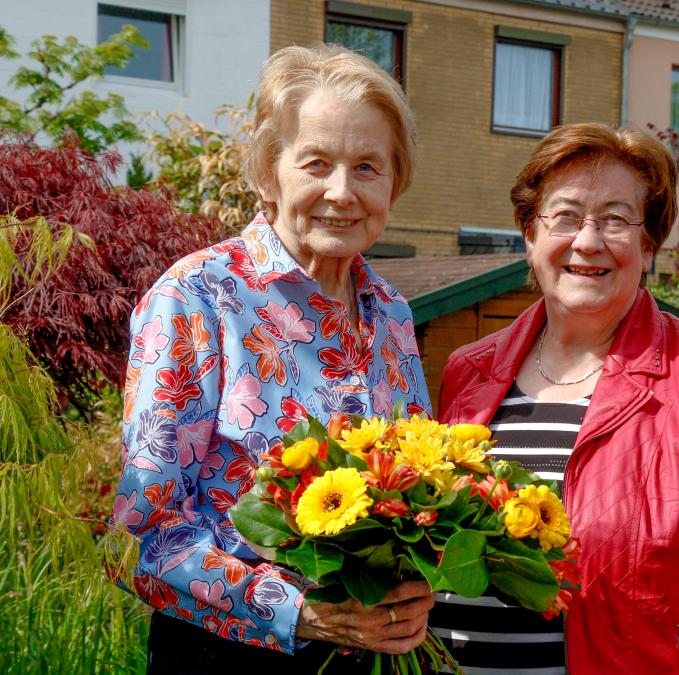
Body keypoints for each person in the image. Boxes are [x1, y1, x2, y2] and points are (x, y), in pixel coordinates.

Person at [433, 122, 679, 674]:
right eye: (564, 216)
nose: (588, 241)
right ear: (529, 235)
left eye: (615, 219)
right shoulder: (468, 372)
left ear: (648, 245)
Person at [112, 44, 435, 672]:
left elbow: (414, 488)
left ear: (395, 183)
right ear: (268, 170)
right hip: (229, 653)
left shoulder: (391, 312)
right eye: (316, 162)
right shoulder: (198, 298)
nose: (341, 192)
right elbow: (143, 535)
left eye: (368, 167)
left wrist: (414, 586)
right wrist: (300, 613)